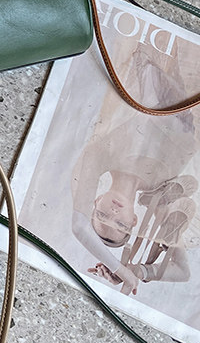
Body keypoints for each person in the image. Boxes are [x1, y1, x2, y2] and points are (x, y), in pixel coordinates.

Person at [70, 45, 199, 295]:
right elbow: (183, 272)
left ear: (96, 200)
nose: (113, 213)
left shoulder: (99, 158)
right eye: (121, 224)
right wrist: (137, 271)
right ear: (134, 221)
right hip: (188, 93)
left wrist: (119, 269)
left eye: (103, 215)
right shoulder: (159, 195)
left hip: (147, 66)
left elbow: (78, 226)